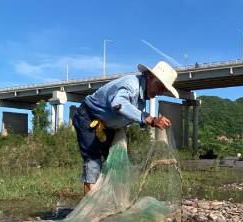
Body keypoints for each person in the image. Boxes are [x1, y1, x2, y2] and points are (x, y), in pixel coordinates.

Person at [73, 61, 177, 192]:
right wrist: (150, 119)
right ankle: (90, 205)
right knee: (93, 161)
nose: (162, 92)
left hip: (107, 127)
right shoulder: (131, 85)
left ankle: (113, 202)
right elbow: (118, 104)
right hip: (87, 118)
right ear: (150, 77)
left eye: (165, 90)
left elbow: (124, 116)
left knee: (117, 164)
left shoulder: (141, 99)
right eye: (161, 86)